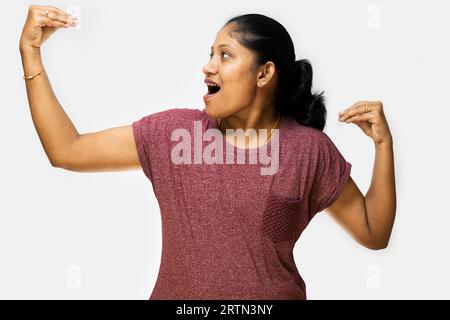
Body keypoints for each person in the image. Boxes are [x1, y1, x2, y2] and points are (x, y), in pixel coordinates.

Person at [19, 6, 396, 299]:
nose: (208, 66)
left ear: (264, 74)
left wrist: (383, 146)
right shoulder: (173, 135)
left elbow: (373, 232)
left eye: (225, 55)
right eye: (210, 53)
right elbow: (66, 150)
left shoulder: (308, 151)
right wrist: (31, 53)